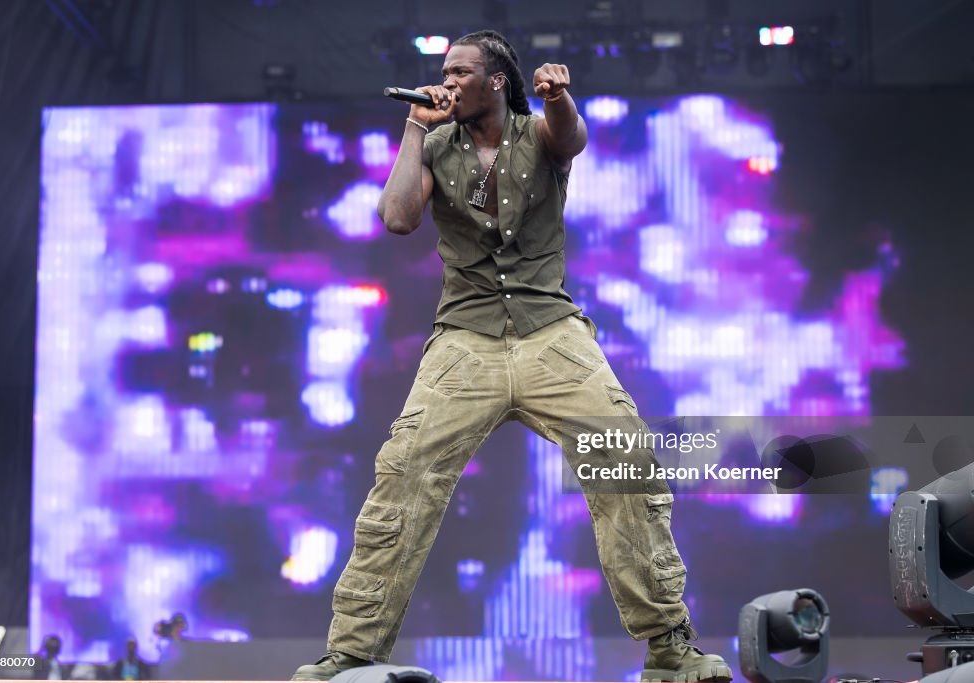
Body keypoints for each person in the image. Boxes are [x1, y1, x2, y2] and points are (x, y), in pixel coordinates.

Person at [292, 29, 732, 683]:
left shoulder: (538, 132)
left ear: (496, 81)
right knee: (404, 476)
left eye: (460, 72)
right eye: (444, 72)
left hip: (551, 333)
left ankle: (670, 647)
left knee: (625, 459)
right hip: (465, 340)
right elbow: (397, 218)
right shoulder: (435, 144)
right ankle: (353, 654)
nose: (447, 81)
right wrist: (415, 128)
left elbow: (570, 138)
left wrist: (558, 98)